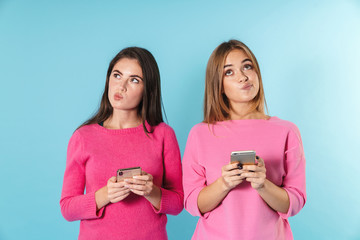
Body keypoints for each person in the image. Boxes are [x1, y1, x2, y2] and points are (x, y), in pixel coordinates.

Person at [182, 40, 306, 240]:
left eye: (247, 66)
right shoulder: (200, 134)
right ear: (219, 85)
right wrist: (224, 183)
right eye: (229, 72)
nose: (243, 77)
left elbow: (295, 201)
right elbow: (191, 203)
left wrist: (262, 184)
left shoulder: (287, 131)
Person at [60, 47, 184, 240]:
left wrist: (152, 192)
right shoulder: (83, 137)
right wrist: (105, 195)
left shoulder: (163, 135)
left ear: (148, 89)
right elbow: (67, 208)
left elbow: (178, 203)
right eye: (117, 75)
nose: (121, 86)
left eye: (134, 80)